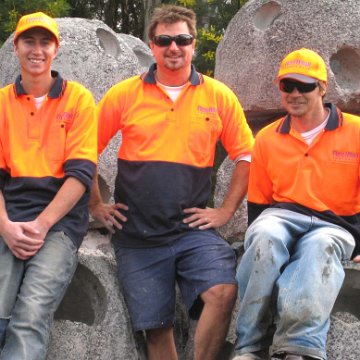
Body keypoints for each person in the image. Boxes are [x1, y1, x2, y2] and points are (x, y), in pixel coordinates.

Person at [90, 4, 254, 360]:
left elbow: (247, 156)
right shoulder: (124, 94)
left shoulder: (218, 96)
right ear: (152, 45)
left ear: (193, 44)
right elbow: (84, 151)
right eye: (165, 40)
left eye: (182, 39)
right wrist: (94, 205)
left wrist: (225, 211)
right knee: (156, 328)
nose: (174, 47)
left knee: (223, 292)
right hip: (138, 236)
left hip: (192, 232)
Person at [232, 48, 360, 360]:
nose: (295, 93)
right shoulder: (266, 138)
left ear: (323, 88)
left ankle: (298, 347)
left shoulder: (356, 131)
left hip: (336, 223)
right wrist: (259, 248)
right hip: (282, 216)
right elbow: (258, 205)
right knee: (264, 237)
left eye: (304, 86)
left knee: (319, 247)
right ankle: (249, 345)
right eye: (287, 85)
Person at [0, 12, 97, 360]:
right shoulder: (1, 102)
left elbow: (81, 175)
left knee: (31, 312)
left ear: (57, 48)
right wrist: (7, 227)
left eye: (45, 42)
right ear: (16, 46)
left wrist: (41, 226)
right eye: (29, 40)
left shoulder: (79, 100)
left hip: (59, 222)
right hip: (9, 216)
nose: (37, 49)